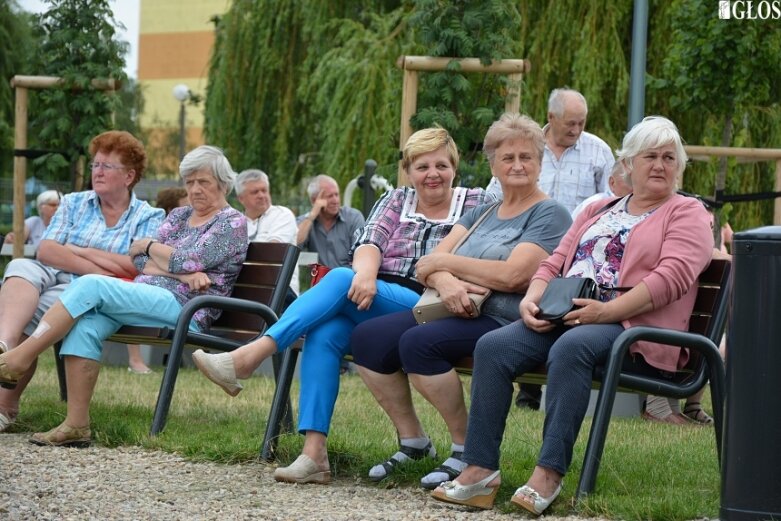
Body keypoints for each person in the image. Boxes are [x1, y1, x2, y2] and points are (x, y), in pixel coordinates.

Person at [432, 116, 713, 514]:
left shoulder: (688, 212)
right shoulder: (599, 208)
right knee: (493, 346)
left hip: (635, 328)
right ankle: (479, 471)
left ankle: (548, 473)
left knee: (571, 348)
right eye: (649, 156)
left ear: (679, 167)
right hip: (569, 313)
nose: (659, 165)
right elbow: (554, 263)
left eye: (669, 157)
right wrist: (533, 299)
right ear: (628, 164)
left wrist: (606, 311)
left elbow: (671, 279)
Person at [191, 127, 489, 485]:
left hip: (428, 300)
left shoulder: (474, 202)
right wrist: (365, 274)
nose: (432, 174)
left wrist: (359, 277)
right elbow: (370, 240)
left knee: (338, 279)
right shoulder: (397, 199)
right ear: (409, 171)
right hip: (374, 291)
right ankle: (314, 454)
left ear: (454, 167)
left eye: (441, 165)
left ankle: (249, 357)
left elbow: (479, 255)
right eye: (422, 166)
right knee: (325, 332)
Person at [351, 114, 571, 489]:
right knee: (367, 339)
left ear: (540, 162)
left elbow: (515, 276)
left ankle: (464, 449)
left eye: (526, 157)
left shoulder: (549, 213)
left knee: (417, 343)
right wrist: (448, 282)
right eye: (507, 158)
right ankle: (414, 442)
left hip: (502, 318)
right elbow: (425, 266)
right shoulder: (481, 211)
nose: (517, 165)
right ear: (493, 165)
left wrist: (447, 266)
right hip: (456, 306)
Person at [0, 145, 248, 446]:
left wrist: (151, 248)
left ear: (223, 183)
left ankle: (19, 358)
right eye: (189, 182)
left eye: (203, 182)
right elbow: (140, 261)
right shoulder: (180, 215)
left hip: (189, 307)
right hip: (149, 294)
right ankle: (76, 425)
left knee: (92, 285)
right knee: (86, 324)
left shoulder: (231, 222)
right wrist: (174, 268)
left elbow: (190, 259)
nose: (194, 189)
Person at [0, 131, 164, 434]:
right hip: (54, 274)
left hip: (87, 293)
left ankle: (5, 406)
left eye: (106, 166)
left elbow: (136, 265)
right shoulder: (75, 202)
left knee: (35, 317)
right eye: (94, 165)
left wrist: (76, 250)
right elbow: (47, 250)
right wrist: (97, 264)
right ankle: (5, 346)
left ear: (129, 176)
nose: (97, 172)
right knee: (21, 265)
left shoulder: (148, 215)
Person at [489, 88, 615, 411]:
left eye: (581, 123)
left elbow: (611, 205)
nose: (576, 130)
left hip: (574, 256)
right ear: (551, 119)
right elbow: (495, 198)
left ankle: (535, 383)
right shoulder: (526, 149)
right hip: (525, 242)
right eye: (570, 123)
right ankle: (529, 388)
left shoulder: (598, 152)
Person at [124, 186, 190, 375]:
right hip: (148, 282)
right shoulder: (163, 229)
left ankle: (136, 360)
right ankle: (135, 359)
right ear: (172, 210)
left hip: (172, 293)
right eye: (186, 206)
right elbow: (141, 259)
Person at [235, 169, 300, 298]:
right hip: (242, 290)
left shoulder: (282, 215)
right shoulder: (235, 223)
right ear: (241, 199)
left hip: (279, 293)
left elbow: (271, 255)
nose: (261, 195)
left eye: (264, 190)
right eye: (255, 192)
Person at [296, 174, 365, 269]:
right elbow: (294, 243)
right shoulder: (307, 221)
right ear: (314, 200)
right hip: (321, 282)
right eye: (329, 196)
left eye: (336, 194)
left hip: (349, 281)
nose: (335, 200)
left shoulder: (353, 217)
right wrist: (312, 215)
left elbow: (361, 255)